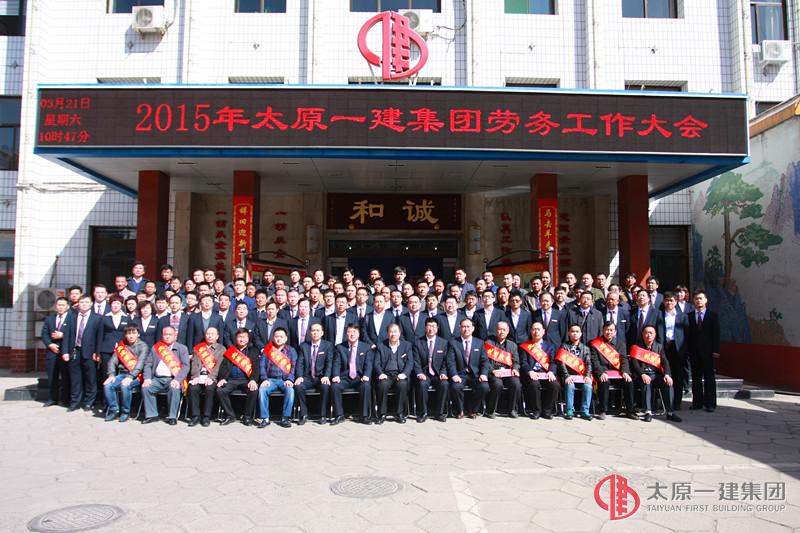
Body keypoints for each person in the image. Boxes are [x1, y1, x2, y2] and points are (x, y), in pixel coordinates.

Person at [631, 325, 682, 423]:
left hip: (655, 375)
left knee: (668, 383)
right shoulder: (637, 347)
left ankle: (670, 412)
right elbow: (635, 364)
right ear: (642, 334)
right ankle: (648, 412)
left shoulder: (659, 347)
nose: (649, 335)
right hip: (642, 375)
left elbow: (665, 362)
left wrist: (667, 374)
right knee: (646, 382)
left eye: (651, 333)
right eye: (646, 333)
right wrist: (642, 374)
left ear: (655, 335)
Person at [141, 326, 190, 425]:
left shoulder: (182, 348)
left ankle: (172, 416)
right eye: (165, 334)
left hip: (172, 379)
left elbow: (186, 366)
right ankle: (152, 415)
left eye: (170, 334)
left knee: (174, 388)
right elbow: (148, 364)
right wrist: (147, 378)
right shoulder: (156, 348)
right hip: (157, 379)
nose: (167, 336)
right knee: (146, 388)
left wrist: (178, 380)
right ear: (162, 336)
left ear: (175, 336)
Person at [62, 294, 103, 412]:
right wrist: (65, 351)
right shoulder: (71, 317)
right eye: (81, 302)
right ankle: (75, 402)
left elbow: (99, 337)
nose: (84, 304)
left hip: (90, 352)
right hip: (75, 350)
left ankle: (89, 402)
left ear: (91, 304)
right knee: (75, 378)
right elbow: (67, 335)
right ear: (78, 304)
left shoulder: (97, 318)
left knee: (90, 378)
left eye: (86, 302)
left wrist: (97, 352)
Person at [589, 322, 637, 420]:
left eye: (611, 330)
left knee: (629, 382)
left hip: (618, 374)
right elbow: (594, 361)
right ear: (603, 331)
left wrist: (625, 372)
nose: (609, 332)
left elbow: (624, 360)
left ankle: (630, 410)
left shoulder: (621, 344)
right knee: (604, 381)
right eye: (607, 330)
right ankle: (602, 410)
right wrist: (601, 372)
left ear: (615, 332)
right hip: (603, 372)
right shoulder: (595, 344)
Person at [103, 326, 148, 422]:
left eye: (133, 333)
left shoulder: (143, 346)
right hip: (122, 373)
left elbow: (140, 364)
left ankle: (125, 412)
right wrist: (111, 375)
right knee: (107, 385)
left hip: (137, 375)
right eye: (128, 333)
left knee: (125, 385)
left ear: (138, 334)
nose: (131, 336)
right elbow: (112, 361)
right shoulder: (122, 346)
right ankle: (114, 410)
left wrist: (130, 377)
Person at [216, 328, 261, 426]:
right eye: (239, 337)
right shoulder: (231, 351)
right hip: (231, 380)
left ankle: (247, 416)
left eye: (244, 337)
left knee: (253, 391)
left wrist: (253, 380)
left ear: (248, 338)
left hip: (246, 380)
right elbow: (223, 366)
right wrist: (222, 378)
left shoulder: (253, 351)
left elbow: (256, 368)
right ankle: (230, 416)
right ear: (236, 338)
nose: (241, 339)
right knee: (220, 390)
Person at [331, 324, 373, 425]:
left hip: (360, 377)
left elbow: (369, 364)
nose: (352, 334)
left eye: (354, 332)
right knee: (335, 386)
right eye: (349, 332)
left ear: (358, 334)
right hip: (345, 377)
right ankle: (339, 415)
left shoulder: (366, 347)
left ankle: (364, 416)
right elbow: (336, 363)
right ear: (346, 334)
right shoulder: (340, 347)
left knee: (366, 385)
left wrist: (366, 375)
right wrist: (336, 375)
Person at [448, 318, 490, 419]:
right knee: (455, 387)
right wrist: (454, 375)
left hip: (475, 375)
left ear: (473, 328)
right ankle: (460, 410)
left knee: (484, 387)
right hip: (460, 374)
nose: (466, 329)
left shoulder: (479, 343)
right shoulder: (453, 343)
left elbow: (485, 361)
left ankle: (472, 409)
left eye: (468, 327)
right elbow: (450, 362)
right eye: (463, 327)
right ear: (460, 328)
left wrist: (483, 374)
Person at [518, 322, 560, 420]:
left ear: (543, 331)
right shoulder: (525, 346)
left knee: (555, 385)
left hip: (545, 373)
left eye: (538, 329)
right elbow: (523, 362)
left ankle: (547, 411)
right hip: (532, 373)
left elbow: (553, 362)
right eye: (534, 329)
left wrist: (551, 371)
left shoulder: (550, 346)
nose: (536, 332)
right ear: (531, 331)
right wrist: (530, 371)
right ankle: (536, 410)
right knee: (534, 384)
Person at [373, 323, 413, 424]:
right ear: (387, 334)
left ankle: (399, 413)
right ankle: (382, 414)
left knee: (402, 385)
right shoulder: (381, 345)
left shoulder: (406, 345)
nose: (393, 334)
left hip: (400, 374)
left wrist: (404, 374)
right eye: (391, 332)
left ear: (399, 333)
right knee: (382, 385)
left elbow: (410, 363)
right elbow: (376, 363)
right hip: (386, 374)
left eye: (395, 332)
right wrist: (380, 373)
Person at [687, 291, 720, 412]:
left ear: (706, 300)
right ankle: (697, 402)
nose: (698, 301)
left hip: (708, 351)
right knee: (696, 377)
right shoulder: (689, 316)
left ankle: (710, 403)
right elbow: (688, 334)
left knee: (709, 377)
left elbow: (716, 333)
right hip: (694, 351)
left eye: (701, 298)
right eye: (696, 299)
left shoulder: (712, 315)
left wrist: (716, 350)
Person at [295, 322, 334, 424]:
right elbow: (300, 363)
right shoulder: (304, 346)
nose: (315, 333)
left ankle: (323, 415)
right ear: (310, 333)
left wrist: (326, 376)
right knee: (299, 386)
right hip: (307, 377)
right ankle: (304, 414)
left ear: (322, 333)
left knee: (325, 386)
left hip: (321, 377)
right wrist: (299, 376)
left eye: (317, 330)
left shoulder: (328, 345)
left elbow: (329, 363)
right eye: (313, 331)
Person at [257, 327, 297, 428]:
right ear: (273, 338)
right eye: (276, 336)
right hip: (270, 380)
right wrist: (264, 379)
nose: (279, 339)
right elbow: (262, 366)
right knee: (262, 390)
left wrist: (290, 379)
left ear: (286, 338)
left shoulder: (291, 351)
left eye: (281, 337)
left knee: (290, 391)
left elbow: (294, 367)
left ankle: (285, 418)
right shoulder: (268, 349)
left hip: (284, 380)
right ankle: (265, 418)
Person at [413, 317, 451, 423]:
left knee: (444, 384)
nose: (431, 329)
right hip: (424, 373)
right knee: (421, 384)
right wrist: (419, 373)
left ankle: (440, 413)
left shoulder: (443, 343)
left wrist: (443, 373)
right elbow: (415, 361)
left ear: (437, 328)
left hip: (438, 374)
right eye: (429, 326)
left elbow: (446, 361)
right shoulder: (418, 342)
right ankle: (423, 413)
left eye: (433, 326)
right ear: (425, 327)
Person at [187, 327, 225, 427]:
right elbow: (194, 364)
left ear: (217, 336)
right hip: (199, 376)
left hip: (212, 377)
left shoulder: (221, 349)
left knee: (210, 389)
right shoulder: (198, 348)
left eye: (212, 334)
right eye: (208, 334)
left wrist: (211, 377)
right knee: (193, 388)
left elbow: (219, 366)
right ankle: (195, 416)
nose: (210, 336)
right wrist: (195, 376)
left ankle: (206, 416)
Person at [484, 321, 522, 418]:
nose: (502, 332)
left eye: (504, 330)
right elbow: (485, 361)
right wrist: (492, 370)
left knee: (516, 384)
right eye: (499, 329)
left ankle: (512, 410)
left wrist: (515, 369)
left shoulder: (512, 345)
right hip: (494, 372)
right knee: (497, 384)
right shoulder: (488, 343)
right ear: (496, 330)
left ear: (508, 331)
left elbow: (516, 361)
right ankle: (491, 410)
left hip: (508, 372)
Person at [659, 292, 689, 411]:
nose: (669, 303)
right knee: (664, 374)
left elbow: (687, 334)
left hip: (678, 349)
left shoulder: (683, 316)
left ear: (676, 302)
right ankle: (664, 402)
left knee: (678, 376)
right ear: (663, 302)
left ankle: (677, 402)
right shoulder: (659, 315)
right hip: (664, 348)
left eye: (671, 300)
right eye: (667, 300)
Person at [557, 324, 593, 421]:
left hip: (581, 376)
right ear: (569, 333)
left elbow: (588, 364)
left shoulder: (586, 348)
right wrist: (566, 376)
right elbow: (562, 363)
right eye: (572, 331)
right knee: (570, 385)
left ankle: (585, 411)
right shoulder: (564, 347)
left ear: (581, 334)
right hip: (569, 376)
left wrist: (587, 375)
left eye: (577, 331)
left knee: (588, 386)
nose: (575, 333)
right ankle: (569, 410)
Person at [41, 296, 72, 407]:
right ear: (55, 306)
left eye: (63, 305)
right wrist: (50, 344)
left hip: (65, 351)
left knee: (65, 376)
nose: (60, 307)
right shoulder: (50, 319)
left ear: (67, 306)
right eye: (59, 305)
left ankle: (65, 399)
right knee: (52, 376)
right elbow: (44, 334)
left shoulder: (72, 318)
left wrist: (63, 335)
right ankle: (52, 398)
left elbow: (74, 334)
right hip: (52, 352)